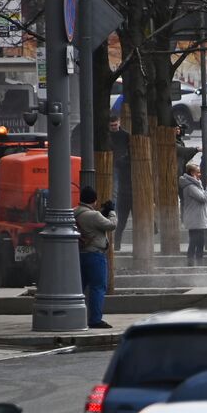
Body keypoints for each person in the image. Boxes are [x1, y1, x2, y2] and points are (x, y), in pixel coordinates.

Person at [75, 185, 117, 329]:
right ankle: (95, 319)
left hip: (80, 255)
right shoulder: (94, 215)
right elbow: (111, 225)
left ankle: (77, 316)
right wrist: (111, 211)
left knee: (80, 287)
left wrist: (102, 212)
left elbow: (92, 220)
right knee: (98, 288)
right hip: (95, 255)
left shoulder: (75, 212)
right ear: (94, 200)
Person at [179, 161, 207, 266]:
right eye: (198, 172)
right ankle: (194, 263)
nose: (200, 174)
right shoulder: (191, 187)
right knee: (196, 242)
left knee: (198, 242)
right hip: (195, 219)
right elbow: (204, 198)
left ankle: (195, 262)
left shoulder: (194, 184)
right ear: (192, 173)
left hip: (196, 218)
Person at [108, 116, 133, 250]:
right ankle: (117, 243)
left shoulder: (125, 135)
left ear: (119, 123)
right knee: (115, 190)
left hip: (121, 165)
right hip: (114, 165)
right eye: (111, 125)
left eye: (115, 125)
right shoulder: (108, 135)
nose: (113, 127)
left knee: (116, 190)